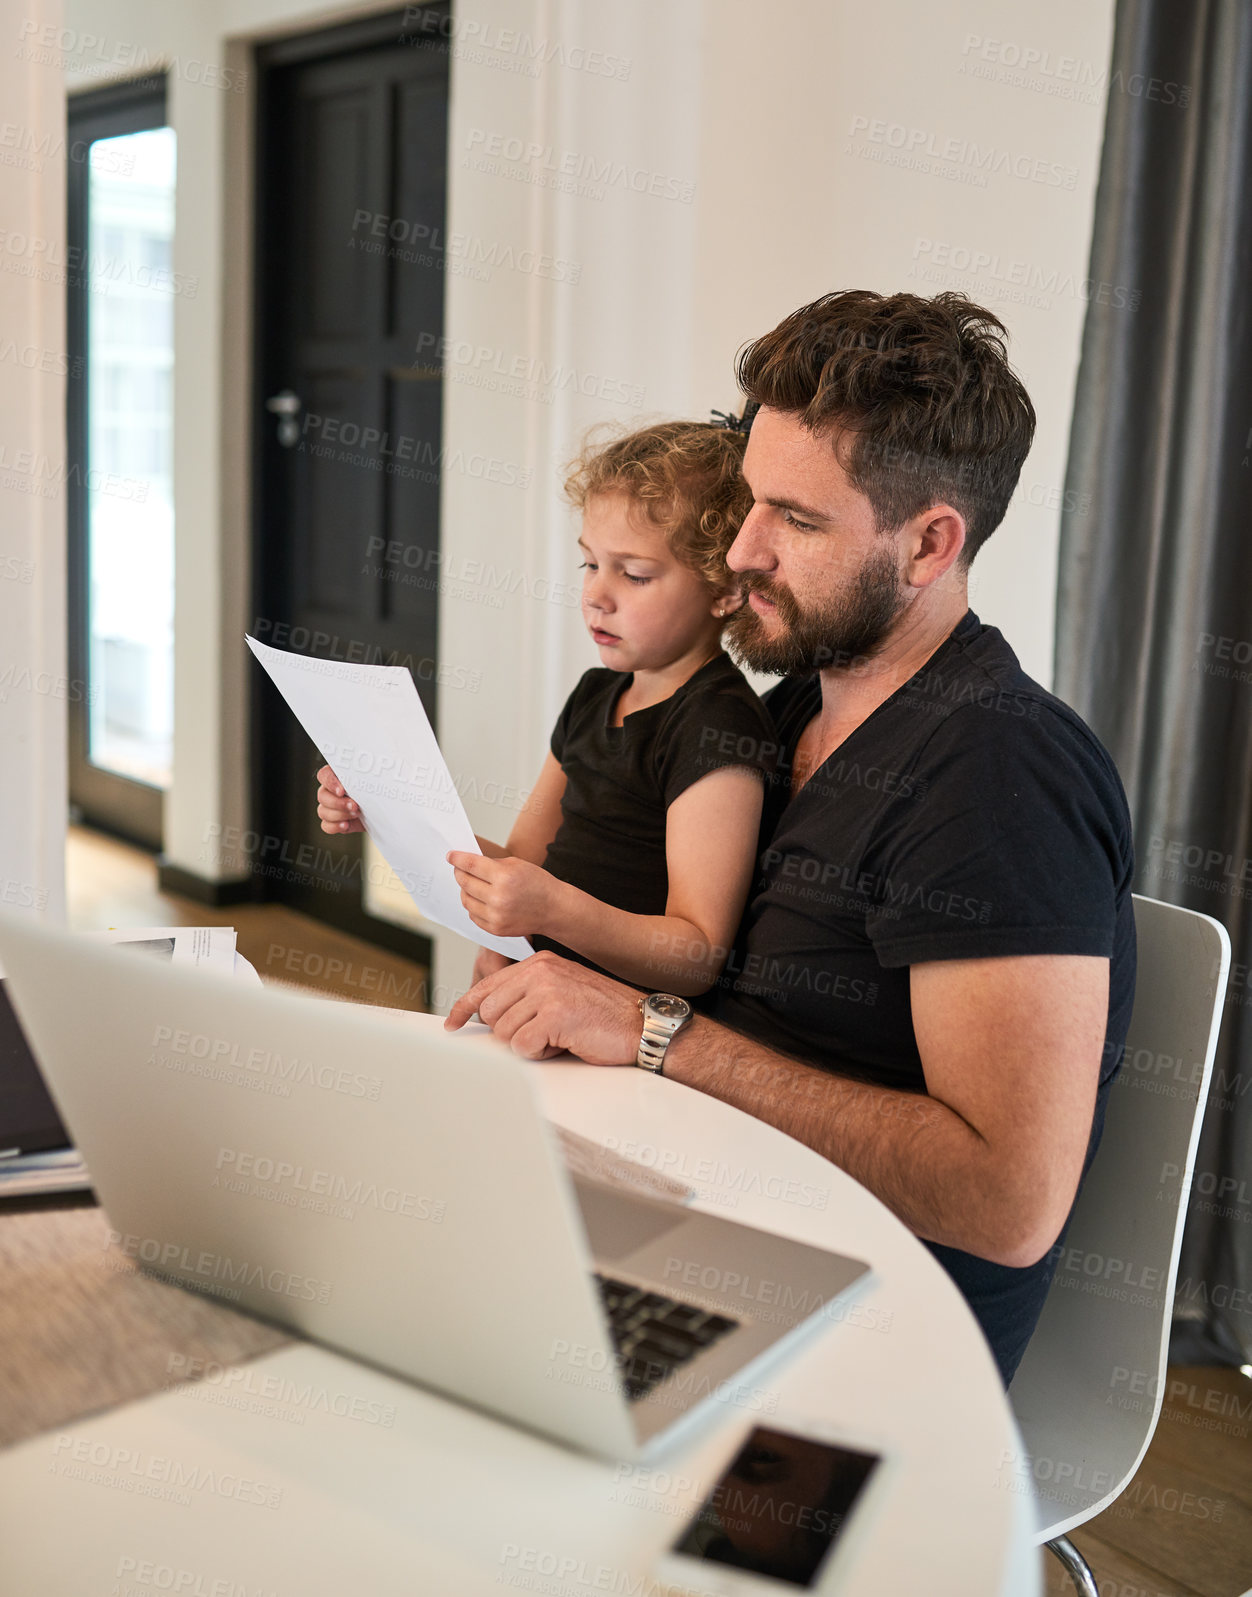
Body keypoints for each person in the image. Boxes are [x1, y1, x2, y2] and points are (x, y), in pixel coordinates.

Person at [444, 290, 1137, 1387]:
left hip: (863, 1324)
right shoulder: (783, 712)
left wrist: (655, 1031)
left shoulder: (997, 779)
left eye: (795, 521)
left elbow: (1005, 1203)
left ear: (929, 544)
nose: (741, 551)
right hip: (692, 1209)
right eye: (750, 502)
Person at [316, 419, 777, 997]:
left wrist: (552, 910)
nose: (595, 594)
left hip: (617, 1032)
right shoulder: (594, 695)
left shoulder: (717, 728)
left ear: (726, 589)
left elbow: (695, 955)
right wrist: (385, 809)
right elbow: (520, 861)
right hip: (535, 999)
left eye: (633, 574)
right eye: (590, 564)